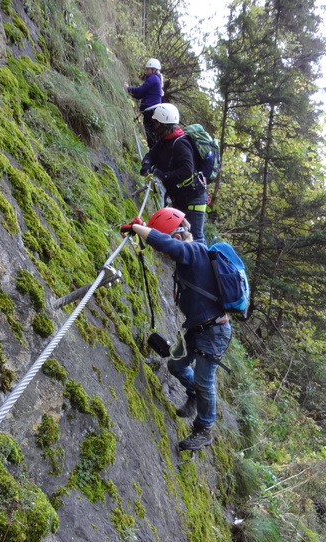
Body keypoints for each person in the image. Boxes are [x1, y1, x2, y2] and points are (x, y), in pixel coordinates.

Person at [120, 208, 232, 451]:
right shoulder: (194, 254)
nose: (164, 256)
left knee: (205, 381)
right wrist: (144, 230)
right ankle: (192, 393)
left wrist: (137, 229)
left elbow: (172, 247)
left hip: (214, 333)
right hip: (196, 328)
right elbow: (167, 244)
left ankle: (204, 429)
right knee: (175, 365)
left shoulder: (193, 250)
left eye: (163, 250)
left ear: (178, 237)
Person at [139, 104, 208, 246]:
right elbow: (151, 155)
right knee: (182, 235)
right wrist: (146, 165)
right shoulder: (165, 140)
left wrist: (163, 175)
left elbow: (187, 170)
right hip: (180, 197)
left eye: (156, 122)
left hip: (194, 198)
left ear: (163, 124)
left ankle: (205, 266)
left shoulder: (180, 144)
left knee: (196, 238)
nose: (154, 125)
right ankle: (185, 266)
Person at [125, 58, 164, 148]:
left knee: (151, 137)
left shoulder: (153, 78)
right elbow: (140, 95)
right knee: (153, 136)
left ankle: (154, 158)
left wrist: (128, 88)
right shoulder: (155, 79)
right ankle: (155, 157)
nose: (146, 71)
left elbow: (140, 91)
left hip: (151, 111)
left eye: (148, 69)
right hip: (152, 111)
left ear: (153, 70)